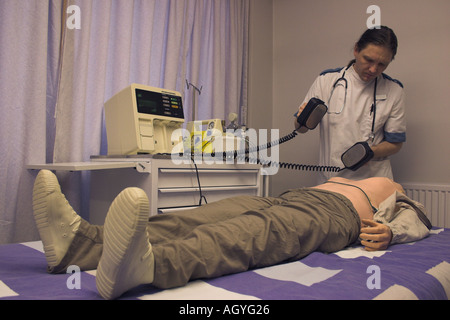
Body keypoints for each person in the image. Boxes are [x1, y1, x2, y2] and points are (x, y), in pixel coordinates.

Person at [31, 169, 430, 300]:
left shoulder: (392, 186)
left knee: (252, 234)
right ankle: (82, 244)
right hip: (287, 196)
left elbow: (419, 220)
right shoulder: (343, 174)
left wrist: (392, 232)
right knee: (198, 217)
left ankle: (150, 266)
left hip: (332, 215)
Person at [295, 26, 406, 183]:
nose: (373, 69)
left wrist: (370, 152)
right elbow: (300, 129)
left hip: (374, 182)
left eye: (382, 64)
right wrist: (302, 119)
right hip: (331, 180)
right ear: (356, 49)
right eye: (368, 60)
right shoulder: (327, 81)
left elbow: (395, 143)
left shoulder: (394, 90)